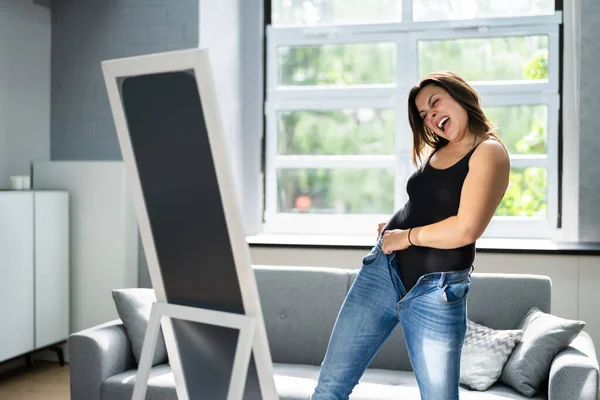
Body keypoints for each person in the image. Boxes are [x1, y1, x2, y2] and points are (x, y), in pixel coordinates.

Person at [310, 71, 510, 400]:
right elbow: (426, 204)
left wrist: (405, 236)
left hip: (435, 292)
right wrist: (392, 228)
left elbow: (466, 229)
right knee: (330, 388)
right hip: (381, 272)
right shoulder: (440, 150)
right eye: (423, 114)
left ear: (461, 97)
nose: (431, 117)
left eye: (435, 103)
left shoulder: (489, 151)